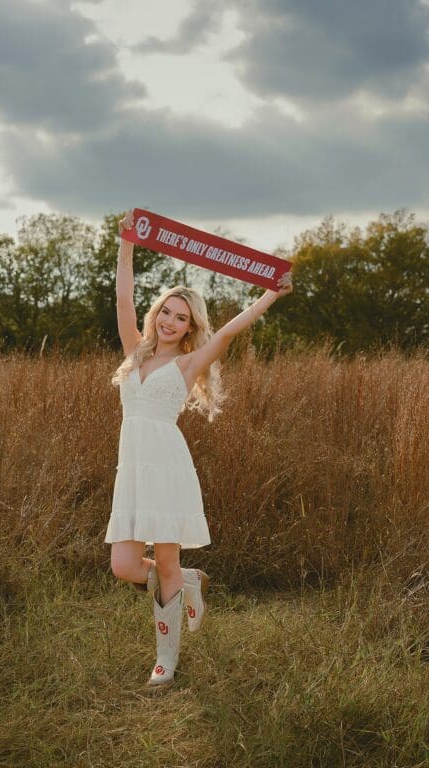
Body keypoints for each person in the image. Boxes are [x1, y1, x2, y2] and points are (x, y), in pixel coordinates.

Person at [105, 210, 291, 687]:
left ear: (190, 327)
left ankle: (165, 661)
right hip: (133, 468)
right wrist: (127, 244)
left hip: (166, 467)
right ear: (156, 314)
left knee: (166, 561)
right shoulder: (135, 351)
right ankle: (189, 581)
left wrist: (270, 294)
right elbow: (123, 297)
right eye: (165, 311)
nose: (170, 321)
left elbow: (228, 331)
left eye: (181, 317)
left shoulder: (188, 365)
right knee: (124, 565)